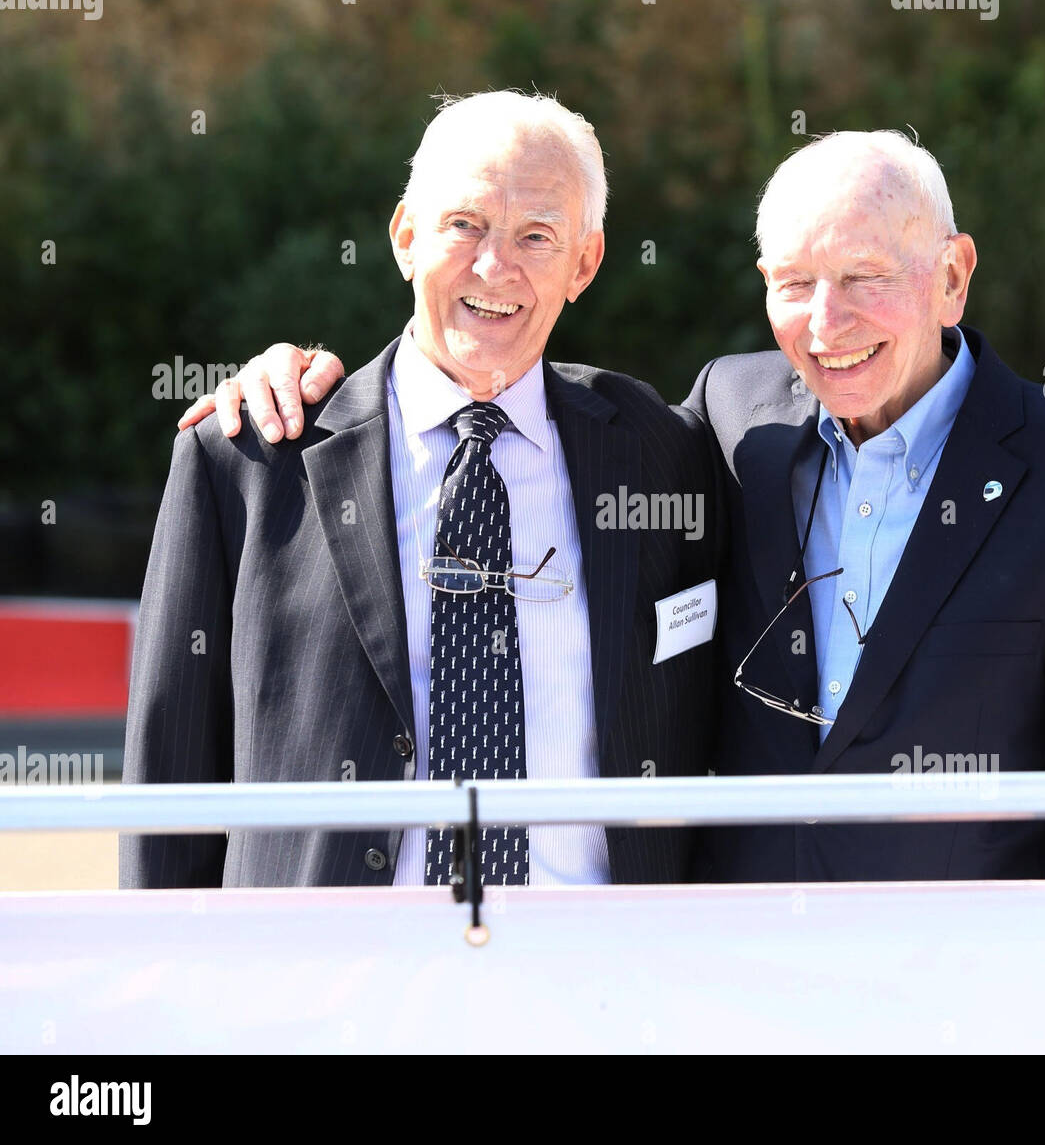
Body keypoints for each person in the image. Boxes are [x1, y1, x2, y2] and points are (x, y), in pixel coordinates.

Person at [183, 128, 1045, 883]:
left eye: (863, 279)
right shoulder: (725, 421)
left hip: (965, 983)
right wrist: (300, 382)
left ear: (952, 276)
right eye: (794, 283)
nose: (826, 322)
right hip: (723, 968)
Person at [122, 91, 719, 891]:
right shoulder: (248, 459)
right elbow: (170, 775)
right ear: (405, 235)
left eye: (536, 236)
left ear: (585, 263)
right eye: (464, 224)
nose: (492, 266)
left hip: (593, 984)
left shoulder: (663, 455)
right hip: (329, 987)